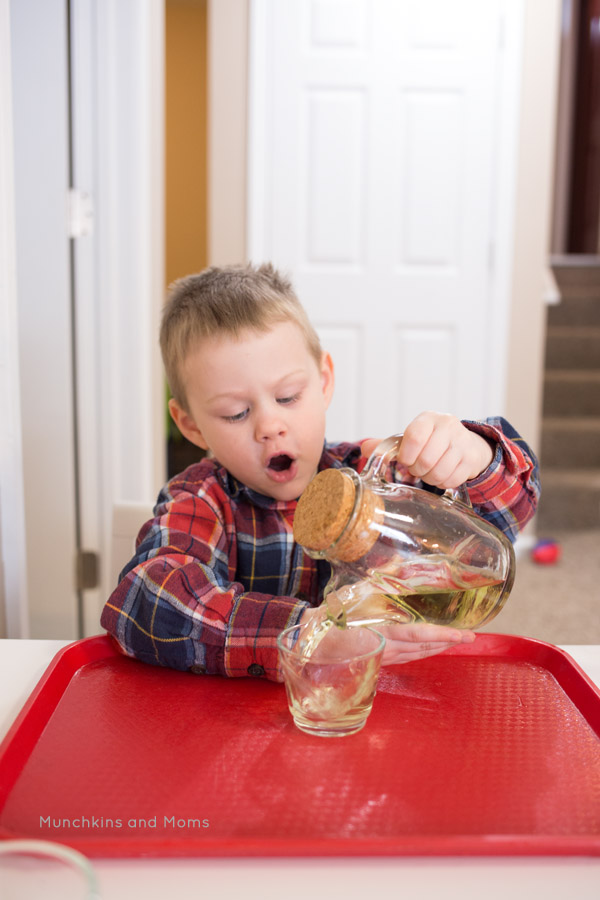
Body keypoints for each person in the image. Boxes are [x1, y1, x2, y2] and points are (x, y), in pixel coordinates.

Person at [101, 263, 540, 680]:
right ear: (191, 425)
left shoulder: (376, 474)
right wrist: (307, 635)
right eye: (236, 413)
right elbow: (149, 600)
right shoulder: (201, 498)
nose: (270, 426)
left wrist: (475, 457)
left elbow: (505, 516)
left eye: (288, 396)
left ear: (324, 380)